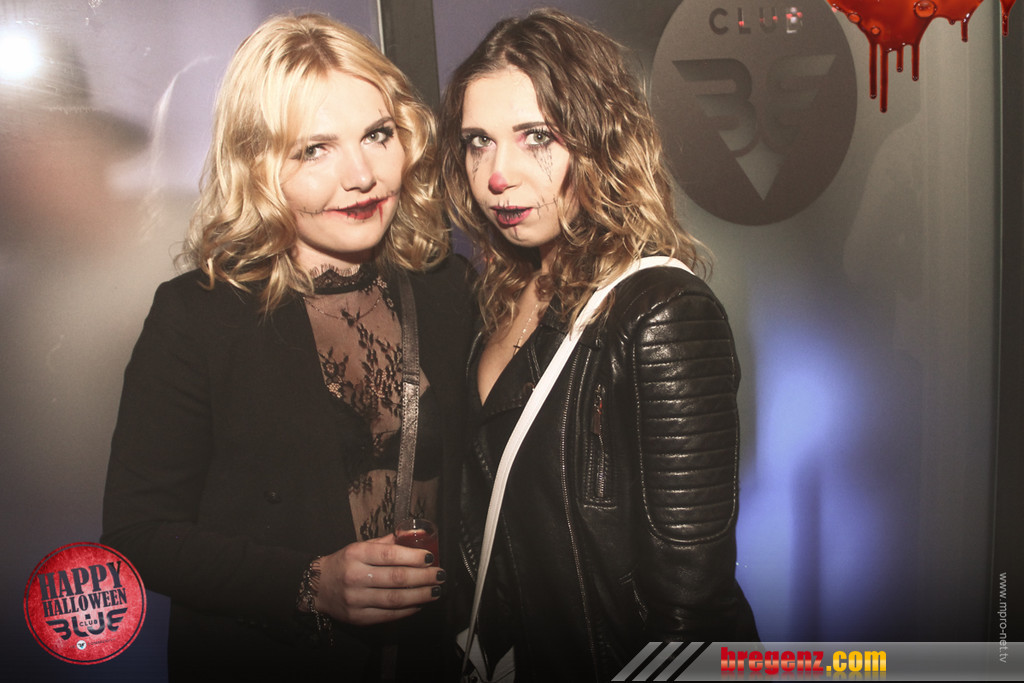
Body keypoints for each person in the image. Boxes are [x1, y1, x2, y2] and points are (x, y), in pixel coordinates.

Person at [101, 13, 475, 680]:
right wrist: (310, 584)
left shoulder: (449, 289)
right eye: (314, 150)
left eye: (377, 135)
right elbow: (138, 535)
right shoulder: (198, 316)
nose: (360, 175)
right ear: (258, 167)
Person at [439, 8, 758, 680]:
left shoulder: (662, 312)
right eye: (478, 142)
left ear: (600, 142)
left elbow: (691, 608)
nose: (497, 174)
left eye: (536, 137)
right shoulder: (495, 298)